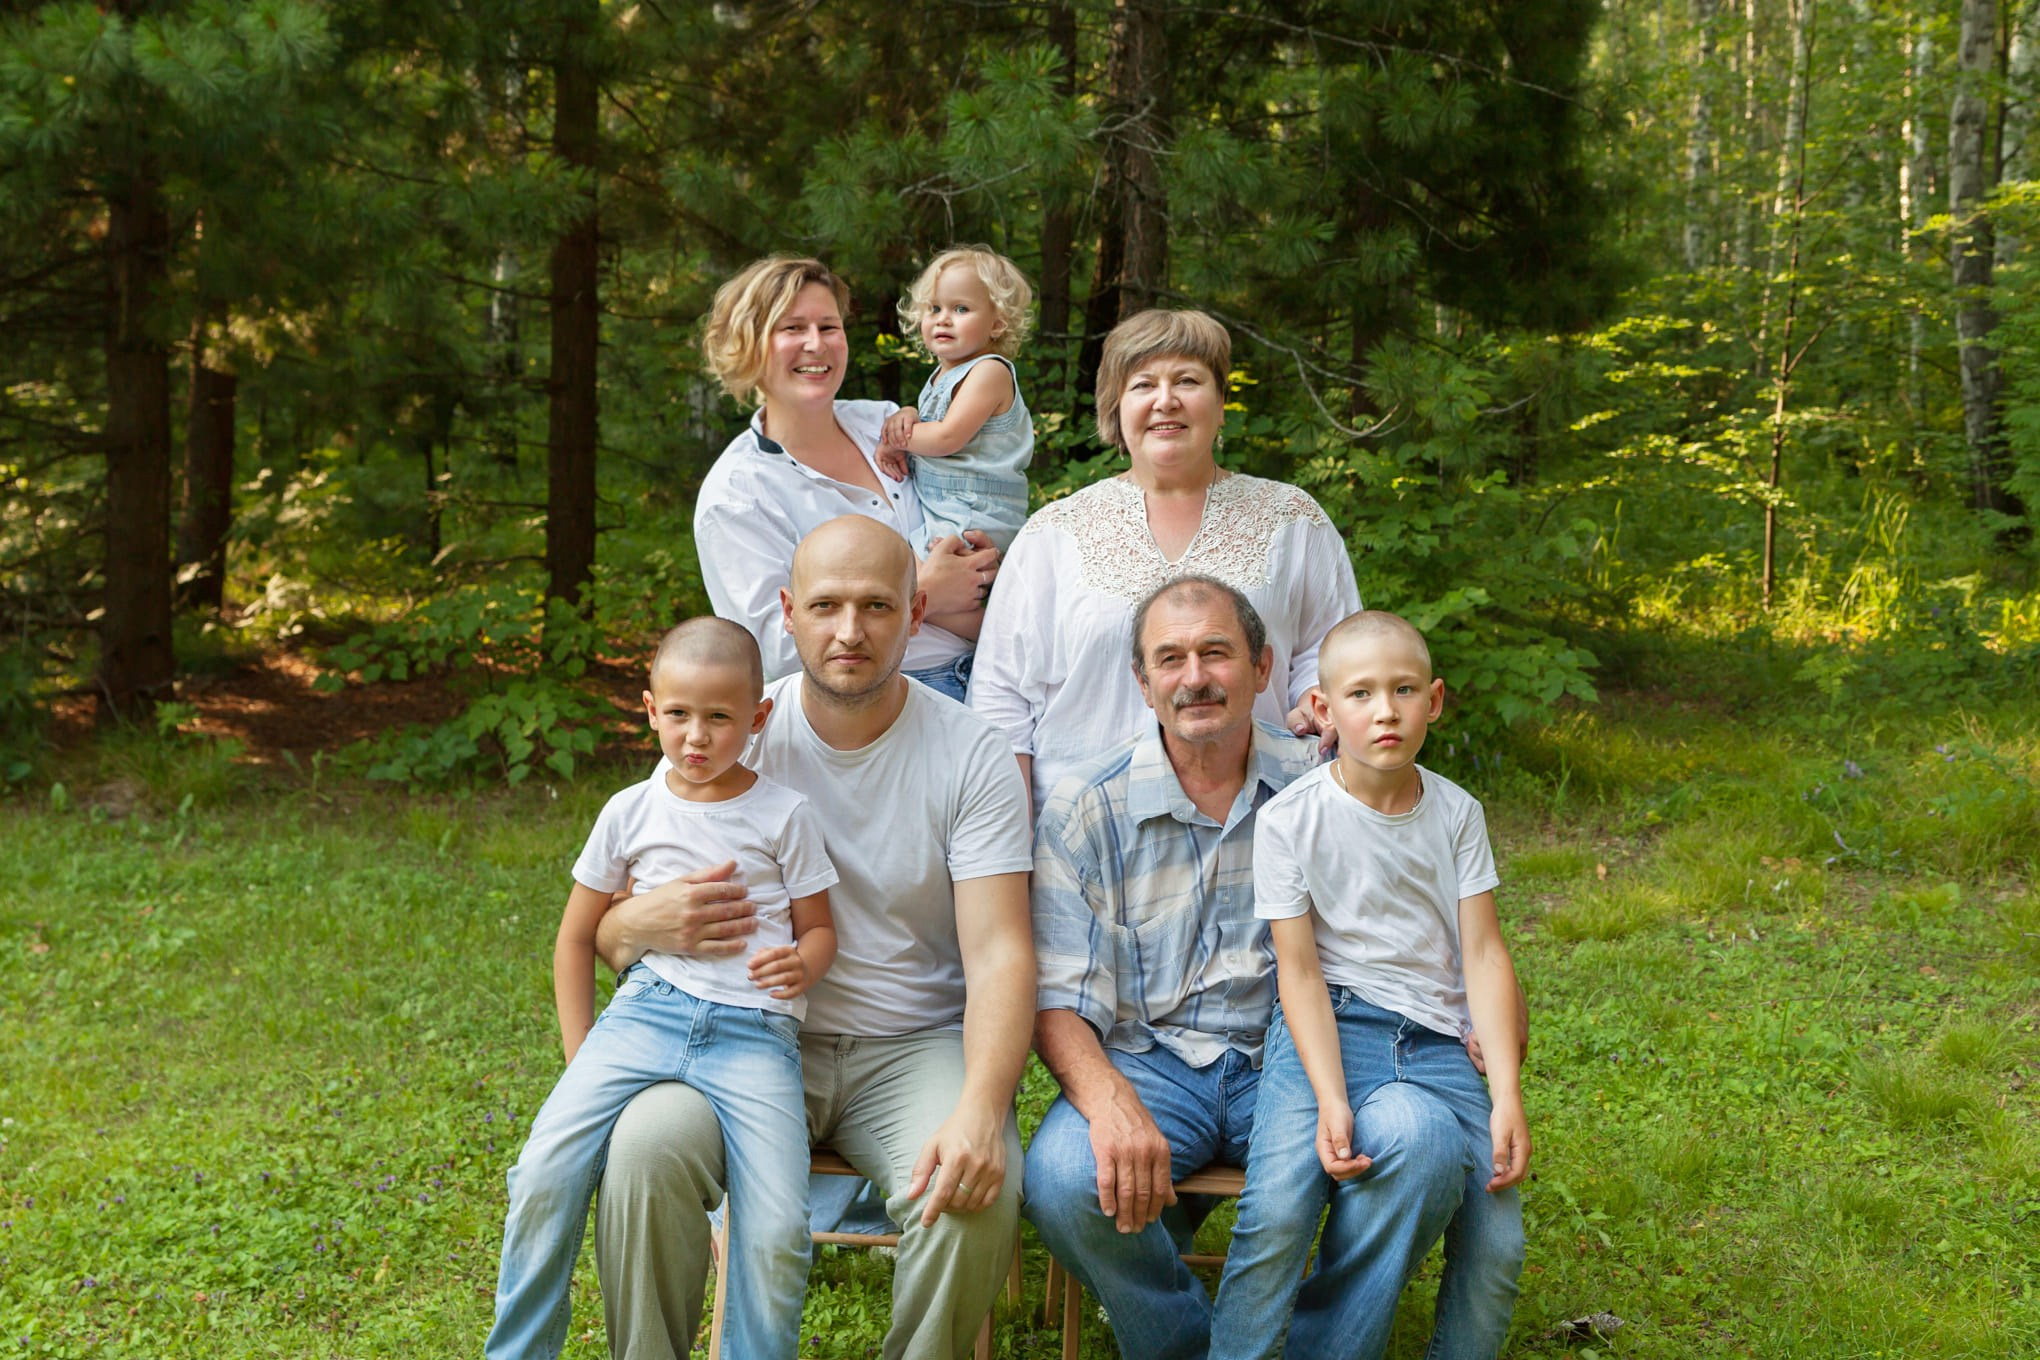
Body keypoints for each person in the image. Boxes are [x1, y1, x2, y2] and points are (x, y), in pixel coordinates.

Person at [589, 517, 1037, 1360]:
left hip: (909, 1047)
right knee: (646, 1149)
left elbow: (1001, 950)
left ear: (914, 613)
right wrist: (628, 925)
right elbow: (610, 925)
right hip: (735, 1037)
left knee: (976, 1183)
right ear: (788, 613)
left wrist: (981, 1107)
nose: (850, 630)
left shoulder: (971, 752)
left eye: (876, 605)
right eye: (826, 604)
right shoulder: (727, 729)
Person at [1027, 576, 1493, 1360]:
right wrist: (1107, 1100)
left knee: (1425, 1143)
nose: (1195, 676)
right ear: (1142, 683)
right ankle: (1184, 1343)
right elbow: (1054, 993)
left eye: (1217, 652)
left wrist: (1465, 1012)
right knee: (1065, 1175)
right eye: (1169, 659)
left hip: (1314, 1054)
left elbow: (1427, 892)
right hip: (1151, 1065)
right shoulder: (1086, 807)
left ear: (1264, 667)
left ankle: (1324, 1344)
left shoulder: (1329, 779)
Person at [486, 619, 838, 1360]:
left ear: (758, 717)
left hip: (756, 1039)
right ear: (650, 709)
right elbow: (576, 936)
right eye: (678, 715)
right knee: (542, 1175)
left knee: (776, 1233)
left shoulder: (785, 815)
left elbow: (820, 930)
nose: (697, 737)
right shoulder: (629, 811)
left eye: (720, 717)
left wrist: (804, 964)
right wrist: (583, 1054)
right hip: (646, 1014)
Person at [1209, 610, 1529, 1360]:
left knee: (1500, 1243)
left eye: (1405, 689)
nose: (1385, 710)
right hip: (1331, 1026)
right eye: (1360, 694)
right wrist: (1328, 1098)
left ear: (1436, 700)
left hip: (1438, 1042)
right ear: (1323, 709)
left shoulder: (1457, 814)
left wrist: (1508, 1094)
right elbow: (1300, 969)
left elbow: (1483, 952)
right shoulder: (1291, 821)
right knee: (1278, 1215)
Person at [970, 307, 1360, 809]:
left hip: (1266, 823)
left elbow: (1336, 651)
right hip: (1088, 834)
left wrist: (1316, 700)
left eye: (1187, 380)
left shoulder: (1291, 520)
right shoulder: (1053, 535)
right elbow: (1001, 700)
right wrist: (1013, 844)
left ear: (1221, 405)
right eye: (1142, 385)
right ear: (1115, 407)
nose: (1165, 400)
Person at [693, 254, 1001, 702]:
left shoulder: (885, 423)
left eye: (828, 326)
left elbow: (974, 491)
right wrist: (924, 596)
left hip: (995, 670)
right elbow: (774, 655)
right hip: (883, 703)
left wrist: (984, 555)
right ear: (748, 345)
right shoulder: (737, 495)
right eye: (793, 328)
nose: (816, 344)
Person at [875, 246, 1035, 641]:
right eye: (934, 309)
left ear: (997, 323)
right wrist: (909, 411)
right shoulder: (942, 376)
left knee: (920, 574)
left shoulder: (989, 372)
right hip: (949, 504)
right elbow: (936, 422)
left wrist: (898, 438)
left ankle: (993, 637)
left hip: (978, 508)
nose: (943, 319)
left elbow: (947, 436)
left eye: (961, 309)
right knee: (909, 568)